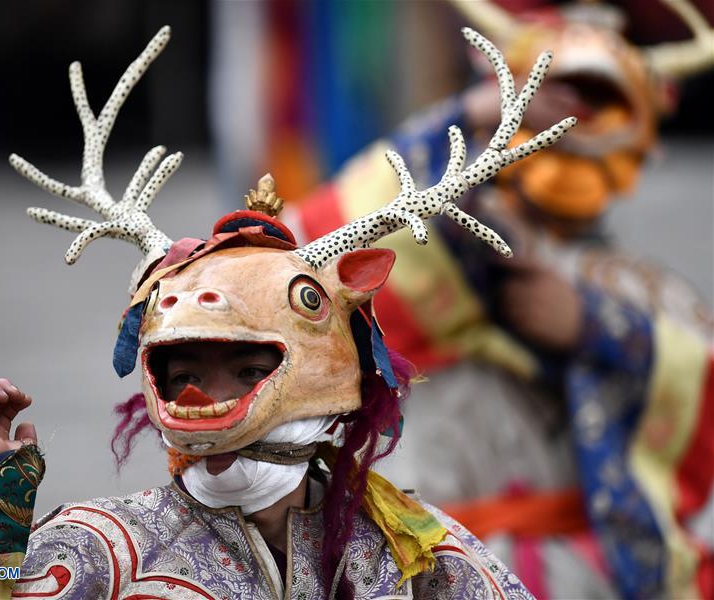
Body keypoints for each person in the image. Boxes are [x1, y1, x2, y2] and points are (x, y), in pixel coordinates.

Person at [0, 25, 574, 599]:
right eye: (188, 369)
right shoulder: (102, 547)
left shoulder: (412, 551)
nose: (209, 394)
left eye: (247, 366)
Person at [290, 2, 714, 598]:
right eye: (549, 101)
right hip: (422, 559)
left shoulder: (644, 293)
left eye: (597, 104)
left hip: (576, 576)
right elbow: (316, 247)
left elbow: (697, 390)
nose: (568, 125)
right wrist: (471, 111)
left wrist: (596, 329)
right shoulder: (446, 234)